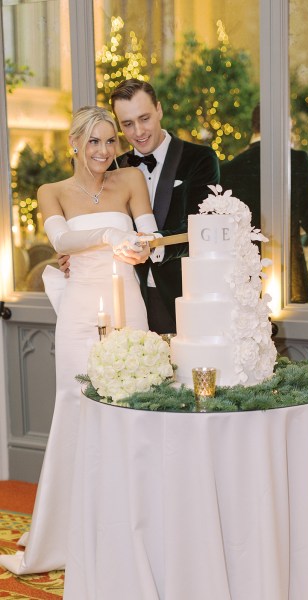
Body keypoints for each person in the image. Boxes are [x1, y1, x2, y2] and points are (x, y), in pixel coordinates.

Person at [0, 106, 157, 575]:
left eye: (111, 141)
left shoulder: (130, 180)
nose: (104, 151)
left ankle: (134, 520)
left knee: (135, 403)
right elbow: (63, 243)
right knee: (75, 403)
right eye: (94, 142)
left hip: (126, 300)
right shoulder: (52, 191)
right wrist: (110, 233)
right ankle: (68, 524)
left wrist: (139, 244)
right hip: (79, 310)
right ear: (74, 143)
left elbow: (150, 237)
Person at [59, 78, 220, 333]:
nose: (138, 132)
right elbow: (91, 217)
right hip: (127, 299)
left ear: (159, 109)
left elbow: (200, 232)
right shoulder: (112, 164)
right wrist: (74, 253)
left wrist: (153, 245)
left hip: (183, 294)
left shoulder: (199, 159)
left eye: (144, 118)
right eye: (127, 124)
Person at [220, 104, 308, 303]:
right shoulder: (297, 161)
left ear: (254, 126)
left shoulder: (229, 168)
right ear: (285, 124)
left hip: (244, 279)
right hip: (289, 278)